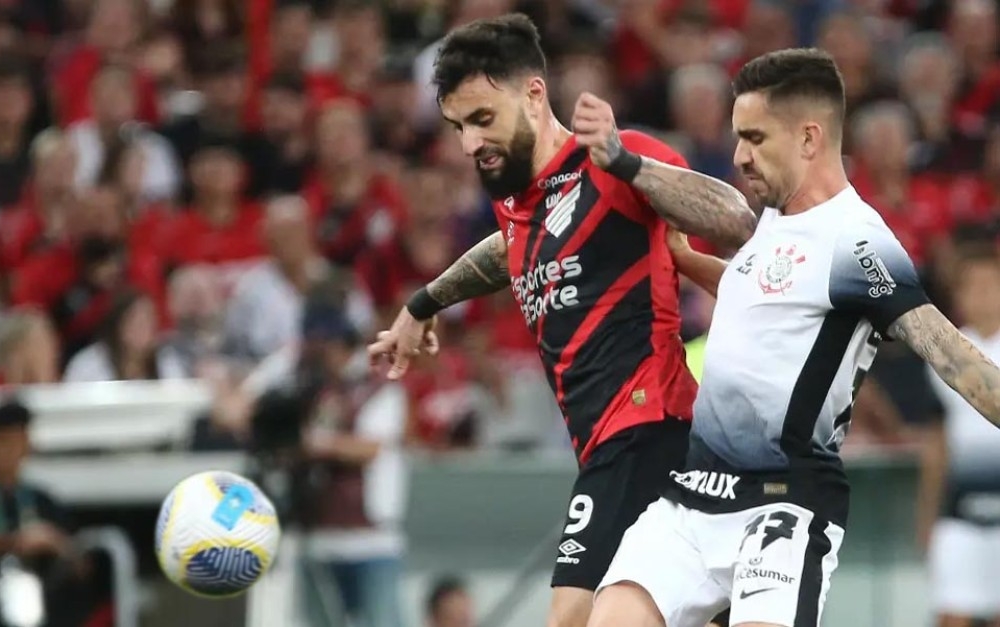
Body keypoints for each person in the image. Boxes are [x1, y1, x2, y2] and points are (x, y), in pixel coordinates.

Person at [586, 48, 1000, 627]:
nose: (739, 156)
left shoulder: (857, 243)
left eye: (754, 138)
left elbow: (949, 352)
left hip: (782, 505)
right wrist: (681, 256)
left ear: (809, 138)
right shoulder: (775, 220)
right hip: (692, 498)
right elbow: (760, 294)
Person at [367, 13, 756, 627]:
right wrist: (425, 304)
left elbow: (735, 221)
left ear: (533, 94)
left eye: (482, 120)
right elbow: (507, 249)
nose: (469, 143)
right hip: (610, 441)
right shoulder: (520, 203)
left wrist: (626, 162)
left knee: (571, 614)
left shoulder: (608, 162)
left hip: (649, 423)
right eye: (459, 126)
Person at [916, 246, 1000, 627]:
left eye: (990, 285)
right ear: (959, 296)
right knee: (953, 615)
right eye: (973, 287)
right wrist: (927, 517)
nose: (982, 295)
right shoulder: (945, 356)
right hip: (959, 514)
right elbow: (937, 446)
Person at [0, 399, 77, 627]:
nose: (12, 452)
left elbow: (80, 566)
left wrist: (55, 543)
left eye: (19, 443)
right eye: (5, 442)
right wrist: (5, 542)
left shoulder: (44, 502)